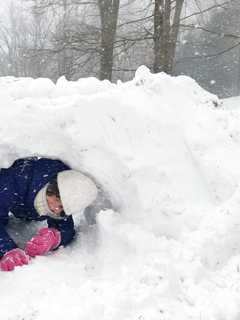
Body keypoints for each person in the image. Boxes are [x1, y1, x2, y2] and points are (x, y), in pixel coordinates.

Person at [0, 157, 98, 271]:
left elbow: (66, 228)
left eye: (62, 209)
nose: (56, 209)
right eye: (58, 202)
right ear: (52, 188)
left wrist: (54, 237)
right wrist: (6, 250)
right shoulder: (13, 182)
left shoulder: (65, 196)